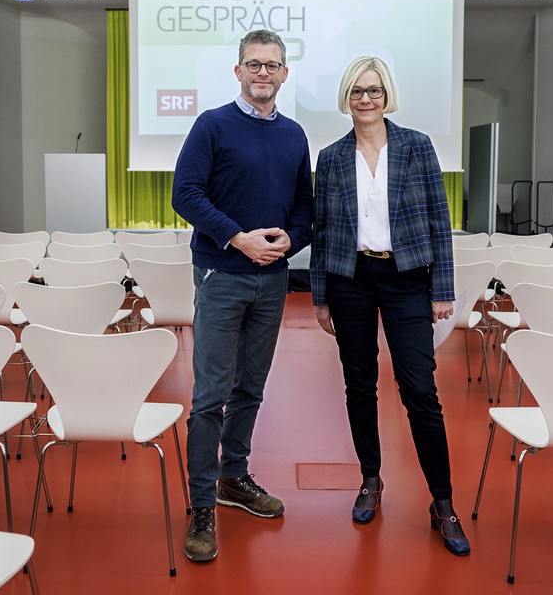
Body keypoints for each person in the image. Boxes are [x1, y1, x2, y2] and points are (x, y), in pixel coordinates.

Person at [309, 55, 469, 556]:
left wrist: (443, 289)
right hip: (350, 280)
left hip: (407, 280)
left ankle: (442, 504)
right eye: (357, 91)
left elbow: (440, 222)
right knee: (359, 385)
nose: (365, 99)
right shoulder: (331, 157)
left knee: (420, 390)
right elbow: (322, 230)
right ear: (346, 98)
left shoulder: (416, 146)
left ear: (387, 95)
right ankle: (371, 480)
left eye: (374, 90)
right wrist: (319, 297)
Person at [171, 30, 314, 562]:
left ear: (283, 74)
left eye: (272, 65)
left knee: (250, 387)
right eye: (253, 64)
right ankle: (201, 504)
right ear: (238, 71)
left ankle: (234, 478)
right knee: (211, 396)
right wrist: (238, 237)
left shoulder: (295, 135)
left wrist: (288, 240)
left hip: (272, 278)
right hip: (221, 273)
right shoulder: (211, 125)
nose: (262, 73)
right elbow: (184, 192)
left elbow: (305, 206)